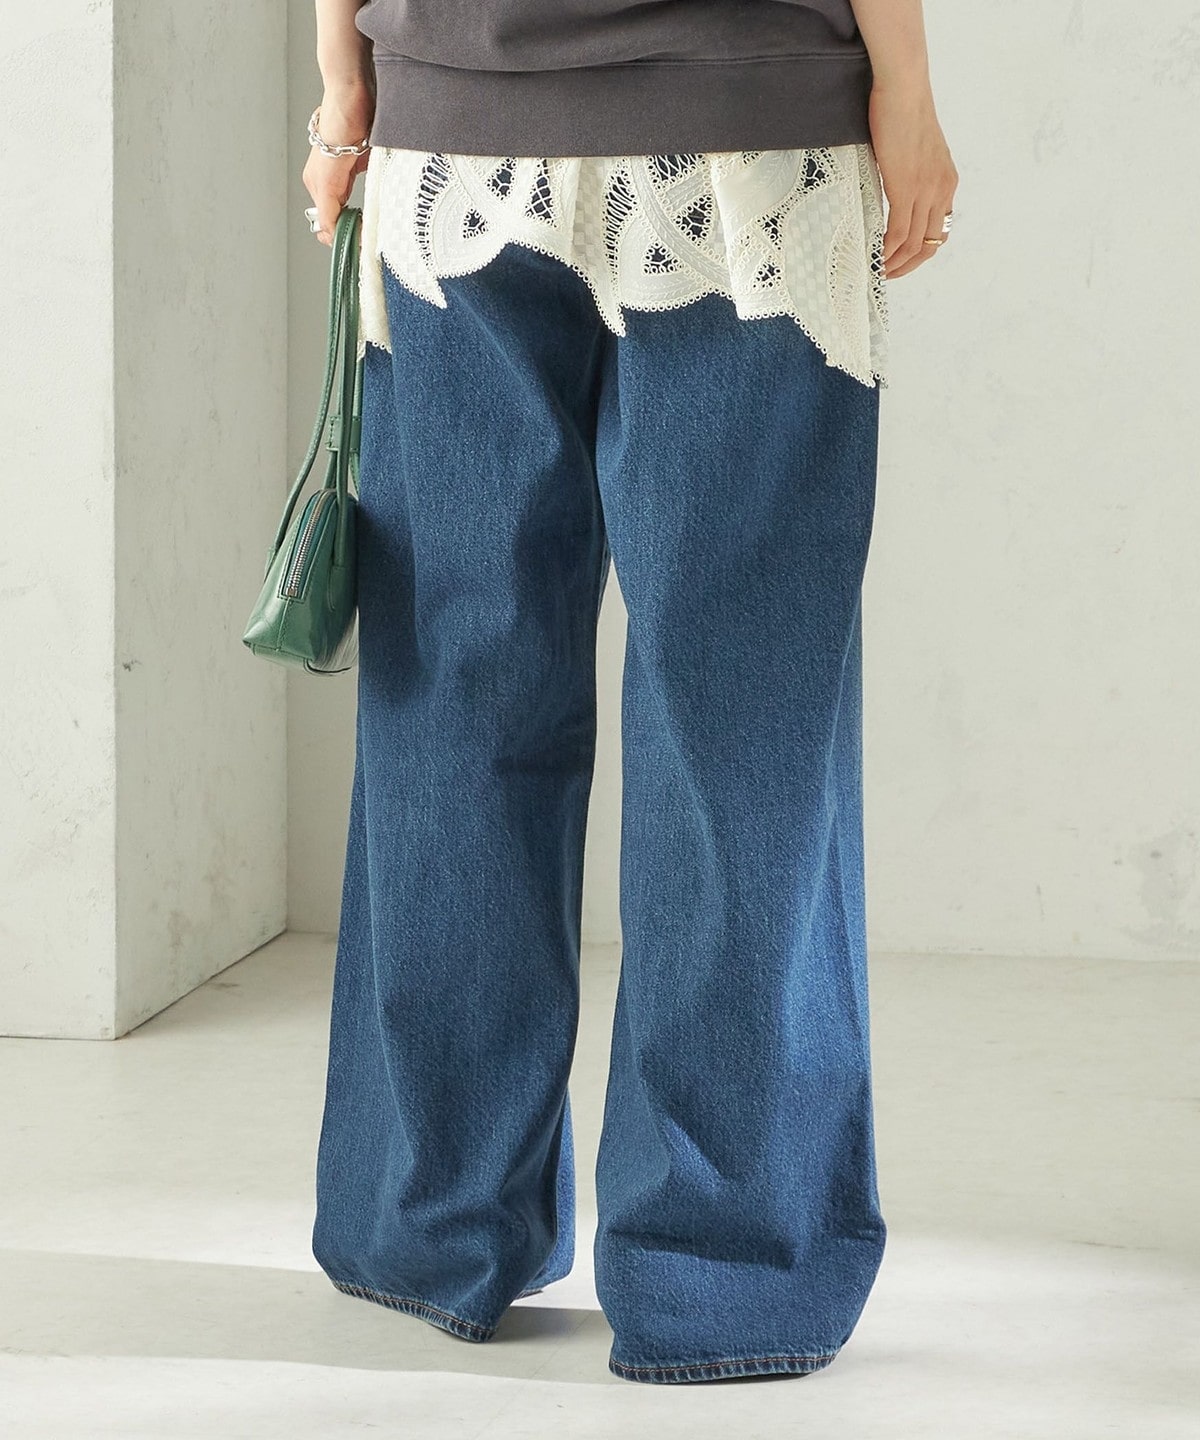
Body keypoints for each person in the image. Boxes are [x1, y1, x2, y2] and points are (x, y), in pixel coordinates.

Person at [302, 0, 958, 1387]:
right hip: (747, 134)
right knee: (741, 717)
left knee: (456, 704)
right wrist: (904, 85)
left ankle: (433, 1221)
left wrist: (344, 87)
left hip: (454, 134)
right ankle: (729, 1266)